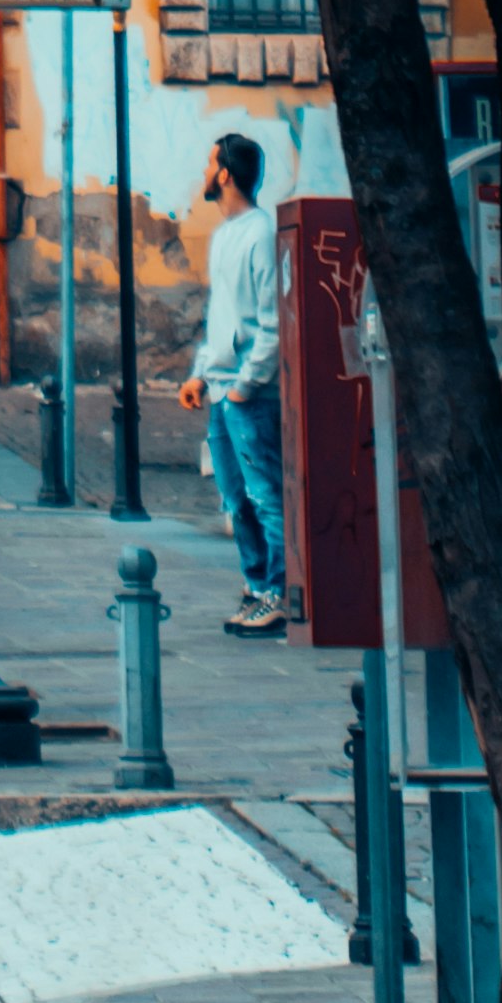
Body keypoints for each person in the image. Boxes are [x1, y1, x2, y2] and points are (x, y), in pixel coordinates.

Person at [177, 129, 286, 633]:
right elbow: (220, 314)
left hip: (248, 394)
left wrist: (247, 383)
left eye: (208, 164)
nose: (203, 172)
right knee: (235, 499)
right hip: (221, 389)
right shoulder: (223, 236)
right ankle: (255, 586)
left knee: (264, 494)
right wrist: (201, 374)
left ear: (225, 173)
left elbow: (272, 319)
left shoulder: (262, 234)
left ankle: (279, 593)